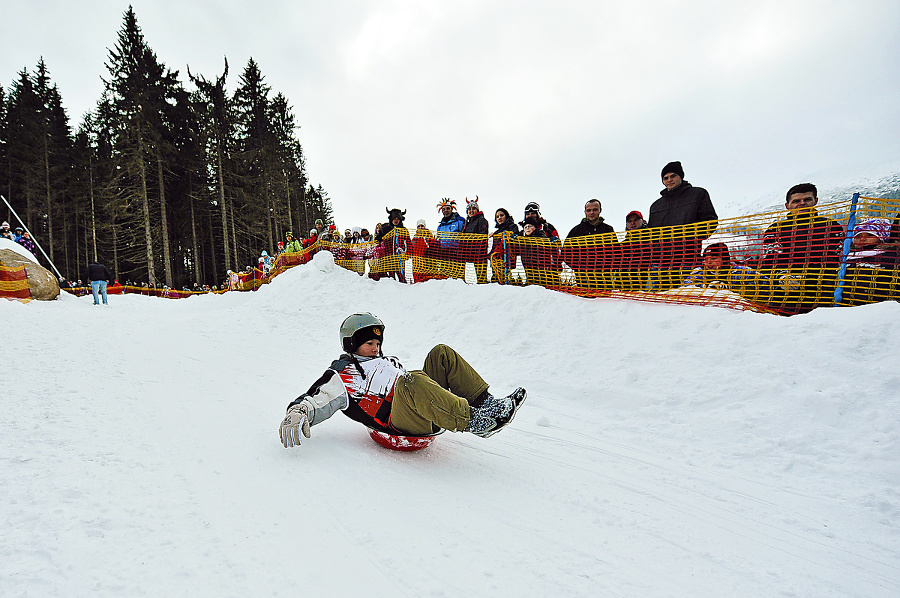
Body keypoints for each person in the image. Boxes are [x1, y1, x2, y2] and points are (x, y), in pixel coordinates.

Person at [278, 313, 527, 447]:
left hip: (421, 407)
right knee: (412, 380)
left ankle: (488, 404)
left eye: (377, 343)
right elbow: (318, 397)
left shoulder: (387, 361)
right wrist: (299, 411)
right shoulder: (343, 374)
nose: (375, 348)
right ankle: (473, 421)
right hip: (396, 423)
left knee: (441, 354)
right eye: (368, 343)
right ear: (352, 344)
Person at [759, 183, 846, 313]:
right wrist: (781, 277)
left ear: (815, 201)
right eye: (796, 201)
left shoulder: (832, 226)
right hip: (786, 292)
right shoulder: (775, 229)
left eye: (807, 199)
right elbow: (771, 261)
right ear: (787, 206)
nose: (802, 203)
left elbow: (833, 258)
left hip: (824, 289)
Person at [647, 162, 718, 290]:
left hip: (687, 257)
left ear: (681, 176)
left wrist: (691, 238)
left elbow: (710, 220)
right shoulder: (656, 205)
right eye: (665, 178)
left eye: (673, 176)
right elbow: (650, 233)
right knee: (658, 300)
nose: (669, 180)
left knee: (687, 299)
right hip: (661, 261)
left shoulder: (698, 194)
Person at [681, 242, 772, 302]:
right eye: (705, 259)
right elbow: (685, 289)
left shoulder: (741, 272)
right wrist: (705, 288)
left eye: (713, 258)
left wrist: (739, 292)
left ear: (724, 259)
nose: (708, 262)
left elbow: (768, 285)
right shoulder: (699, 273)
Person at [840, 218, 900, 305]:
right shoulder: (846, 258)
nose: (862, 239)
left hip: (878, 308)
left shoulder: (891, 257)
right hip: (845, 308)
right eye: (858, 236)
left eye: (869, 235)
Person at [562, 199, 617, 290]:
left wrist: (608, 266)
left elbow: (616, 251)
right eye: (589, 210)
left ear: (600, 210)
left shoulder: (608, 229)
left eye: (595, 210)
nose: (592, 213)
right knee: (586, 301)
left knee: (606, 302)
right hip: (584, 277)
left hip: (604, 276)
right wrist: (578, 267)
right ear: (585, 212)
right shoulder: (576, 231)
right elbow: (565, 253)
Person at [435, 198, 467, 280]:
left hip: (456, 252)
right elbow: (438, 239)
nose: (446, 211)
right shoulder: (440, 226)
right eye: (444, 209)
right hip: (444, 252)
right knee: (445, 276)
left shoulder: (460, 221)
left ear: (452, 209)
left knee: (457, 276)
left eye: (448, 208)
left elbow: (465, 234)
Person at [463, 197, 490, 284]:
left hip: (479, 251)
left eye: (473, 209)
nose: (471, 211)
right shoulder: (467, 222)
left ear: (477, 210)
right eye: (469, 209)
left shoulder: (481, 220)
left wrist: (479, 248)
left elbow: (482, 235)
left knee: (481, 274)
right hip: (469, 251)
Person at [490, 208, 519, 284]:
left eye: (501, 215)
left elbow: (515, 237)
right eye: (497, 216)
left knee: (506, 278)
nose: (499, 218)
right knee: (496, 279)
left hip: (508, 258)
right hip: (496, 260)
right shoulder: (496, 232)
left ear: (506, 216)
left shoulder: (512, 226)